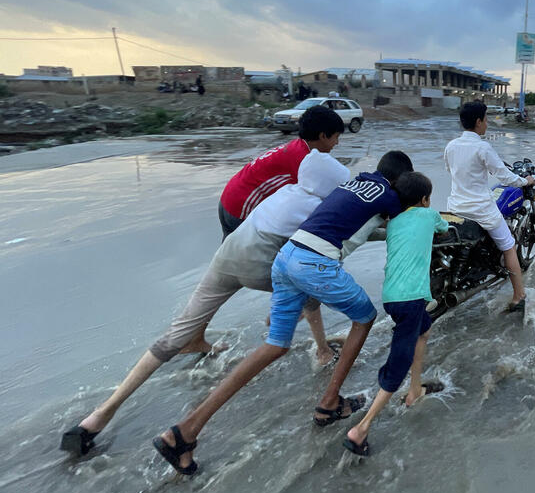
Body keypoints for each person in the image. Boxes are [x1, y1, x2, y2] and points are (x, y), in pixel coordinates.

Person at [60, 147, 351, 456]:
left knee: (174, 336)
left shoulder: (286, 191)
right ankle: (320, 350)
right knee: (308, 285)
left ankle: (99, 416)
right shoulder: (320, 211)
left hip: (225, 259)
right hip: (257, 268)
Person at [153, 152, 412, 475]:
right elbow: (407, 224)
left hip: (286, 257)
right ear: (400, 181)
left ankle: (185, 431)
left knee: (276, 344)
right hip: (315, 264)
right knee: (365, 318)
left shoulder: (353, 183)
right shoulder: (390, 195)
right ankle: (329, 402)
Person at [343, 171, 449, 457]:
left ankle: (415, 390)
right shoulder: (429, 215)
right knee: (397, 364)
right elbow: (444, 228)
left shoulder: (394, 222)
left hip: (391, 297)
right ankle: (361, 429)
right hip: (412, 298)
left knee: (424, 330)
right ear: (426, 199)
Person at [444, 101, 535, 312]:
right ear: (478, 122)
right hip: (481, 210)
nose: (487, 123)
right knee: (509, 246)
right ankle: (519, 295)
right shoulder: (483, 147)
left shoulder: (451, 146)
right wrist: (526, 181)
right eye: (486, 119)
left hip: (455, 208)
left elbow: (451, 170)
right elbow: (504, 176)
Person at [218, 106, 342, 239]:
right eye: (336, 137)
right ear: (323, 136)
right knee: (251, 256)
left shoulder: (298, 146)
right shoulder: (305, 160)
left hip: (229, 198)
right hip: (241, 207)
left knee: (229, 255)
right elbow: (323, 196)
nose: (337, 143)